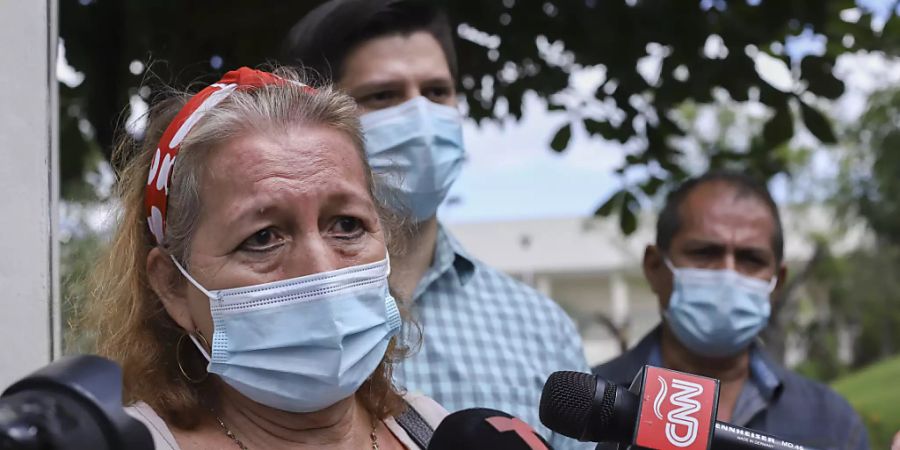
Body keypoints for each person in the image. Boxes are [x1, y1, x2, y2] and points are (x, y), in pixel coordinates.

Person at [80, 66, 446, 450]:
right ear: (173, 286)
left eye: (347, 225)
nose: (321, 269)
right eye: (263, 237)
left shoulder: (437, 432)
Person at [283, 1, 592, 447]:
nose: (422, 120)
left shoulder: (540, 326)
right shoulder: (263, 320)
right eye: (382, 96)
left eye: (436, 92)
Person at [592, 171, 869, 450]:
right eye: (704, 253)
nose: (728, 274)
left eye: (751, 259)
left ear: (777, 283)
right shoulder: (588, 407)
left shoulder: (833, 424)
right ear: (654, 267)